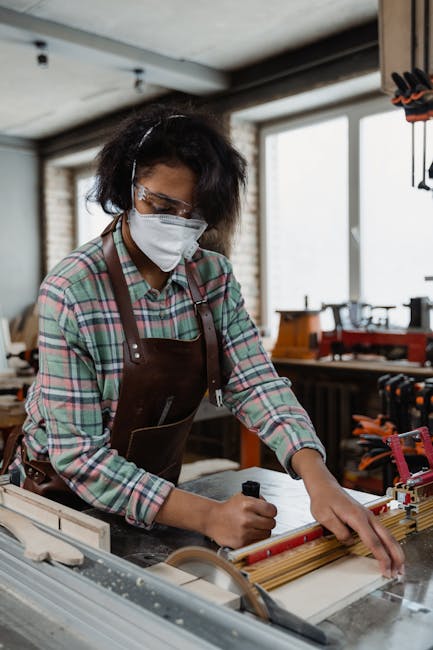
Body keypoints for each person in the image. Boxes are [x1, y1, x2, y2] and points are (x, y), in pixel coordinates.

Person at [2, 103, 404, 578]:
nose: (177, 225)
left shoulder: (210, 276)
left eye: (194, 217)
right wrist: (208, 516)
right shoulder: (73, 289)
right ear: (127, 187)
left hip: (155, 503)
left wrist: (318, 477)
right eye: (162, 206)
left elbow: (254, 382)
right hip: (59, 507)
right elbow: (79, 455)